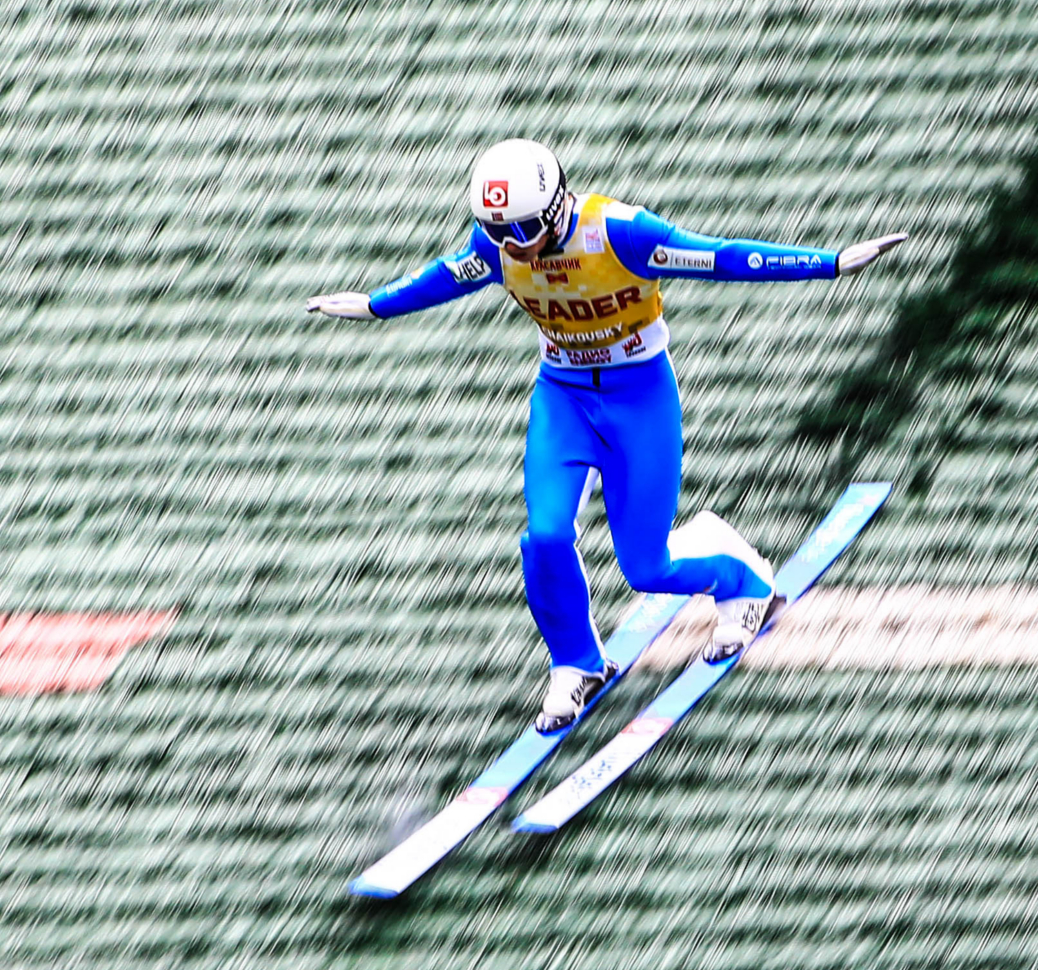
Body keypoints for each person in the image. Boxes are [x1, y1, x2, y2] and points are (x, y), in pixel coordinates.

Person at [308, 138, 905, 733]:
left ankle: (743, 581)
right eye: (497, 232)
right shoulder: (497, 248)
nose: (512, 247)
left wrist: (827, 262)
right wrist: (375, 306)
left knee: (647, 570)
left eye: (521, 231)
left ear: (552, 208)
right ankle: (576, 663)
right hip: (563, 397)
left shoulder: (621, 233)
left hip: (638, 396)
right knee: (544, 536)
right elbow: (445, 277)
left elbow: (720, 256)